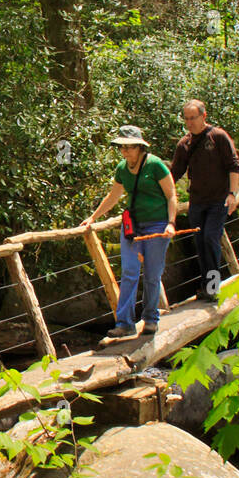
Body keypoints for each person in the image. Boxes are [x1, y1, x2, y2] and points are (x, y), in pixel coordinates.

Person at [81, 125, 177, 338]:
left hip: (157, 225)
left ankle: (151, 319)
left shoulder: (155, 166)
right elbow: (113, 196)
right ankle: (125, 323)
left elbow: (171, 195)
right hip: (133, 226)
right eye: (122, 148)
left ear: (140, 147)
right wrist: (93, 218)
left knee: (152, 274)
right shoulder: (122, 168)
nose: (125, 152)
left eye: (129, 148)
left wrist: (171, 223)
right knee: (129, 272)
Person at [169, 100, 239, 303]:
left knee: (211, 238)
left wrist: (233, 194)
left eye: (193, 118)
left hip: (218, 200)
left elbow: (233, 165)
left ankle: (212, 287)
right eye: (186, 119)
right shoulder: (184, 144)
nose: (189, 122)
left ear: (204, 116)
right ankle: (206, 286)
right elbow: (174, 173)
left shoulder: (218, 137)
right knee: (200, 243)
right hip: (197, 202)